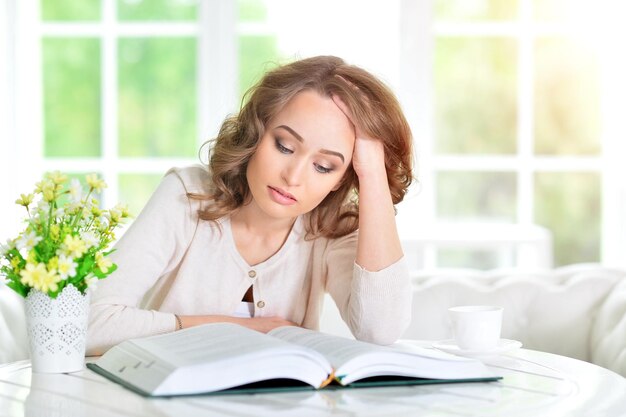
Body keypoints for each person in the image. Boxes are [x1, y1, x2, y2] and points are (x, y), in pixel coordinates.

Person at [86, 55, 414, 355]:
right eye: (284, 146)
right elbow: (90, 325)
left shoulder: (331, 228)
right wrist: (242, 329)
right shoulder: (187, 195)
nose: (293, 177)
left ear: (341, 178)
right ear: (257, 132)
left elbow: (379, 331)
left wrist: (372, 172)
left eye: (324, 166)